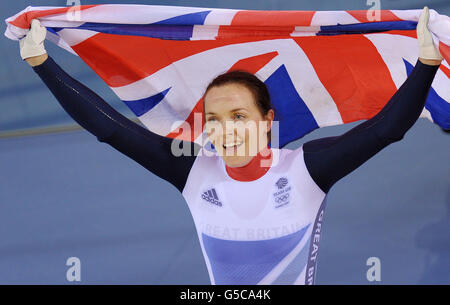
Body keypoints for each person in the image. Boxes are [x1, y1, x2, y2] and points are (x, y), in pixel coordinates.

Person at [19, 7, 442, 285]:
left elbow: (384, 130)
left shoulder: (307, 169)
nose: (227, 130)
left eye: (239, 117)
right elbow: (110, 130)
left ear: (267, 121)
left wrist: (425, 64)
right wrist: (43, 62)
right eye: (216, 120)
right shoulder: (191, 170)